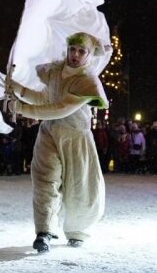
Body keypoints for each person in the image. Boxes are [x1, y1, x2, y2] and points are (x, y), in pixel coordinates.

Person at [9, 32, 108, 253]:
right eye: (72, 49)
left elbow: (61, 108)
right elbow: (45, 99)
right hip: (49, 133)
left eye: (81, 51)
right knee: (45, 180)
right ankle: (44, 231)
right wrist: (17, 89)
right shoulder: (54, 72)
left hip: (76, 138)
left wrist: (23, 109)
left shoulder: (87, 81)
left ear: (89, 54)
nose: (75, 54)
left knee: (79, 187)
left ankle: (77, 231)